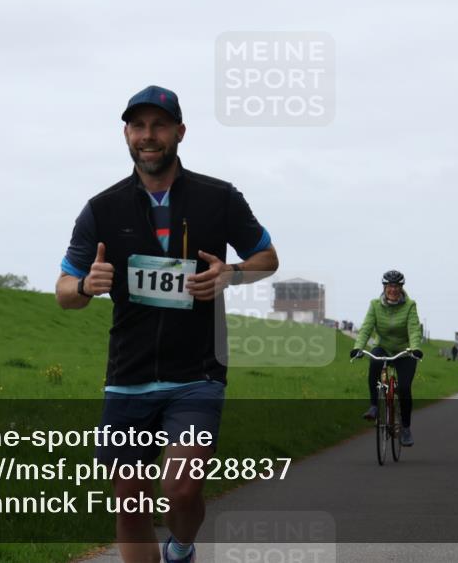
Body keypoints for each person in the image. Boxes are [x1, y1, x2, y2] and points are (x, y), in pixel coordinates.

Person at [55, 85, 279, 563]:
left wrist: (231, 274)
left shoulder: (218, 198)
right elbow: (64, 292)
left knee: (180, 489)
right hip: (127, 377)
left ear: (180, 132)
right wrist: (85, 287)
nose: (148, 136)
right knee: (130, 501)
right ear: (126, 134)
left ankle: (181, 546)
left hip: (196, 375)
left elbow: (268, 257)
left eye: (159, 125)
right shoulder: (102, 208)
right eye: (139, 126)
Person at [351, 270, 424, 447]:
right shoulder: (375, 304)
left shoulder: (410, 305)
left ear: (401, 287)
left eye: (397, 286)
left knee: (405, 389)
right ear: (384, 287)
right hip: (383, 346)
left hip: (404, 351)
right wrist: (358, 348)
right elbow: (367, 327)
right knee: (374, 363)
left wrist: (415, 348)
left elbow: (414, 329)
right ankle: (374, 406)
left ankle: (405, 429)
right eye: (390, 286)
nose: (393, 289)